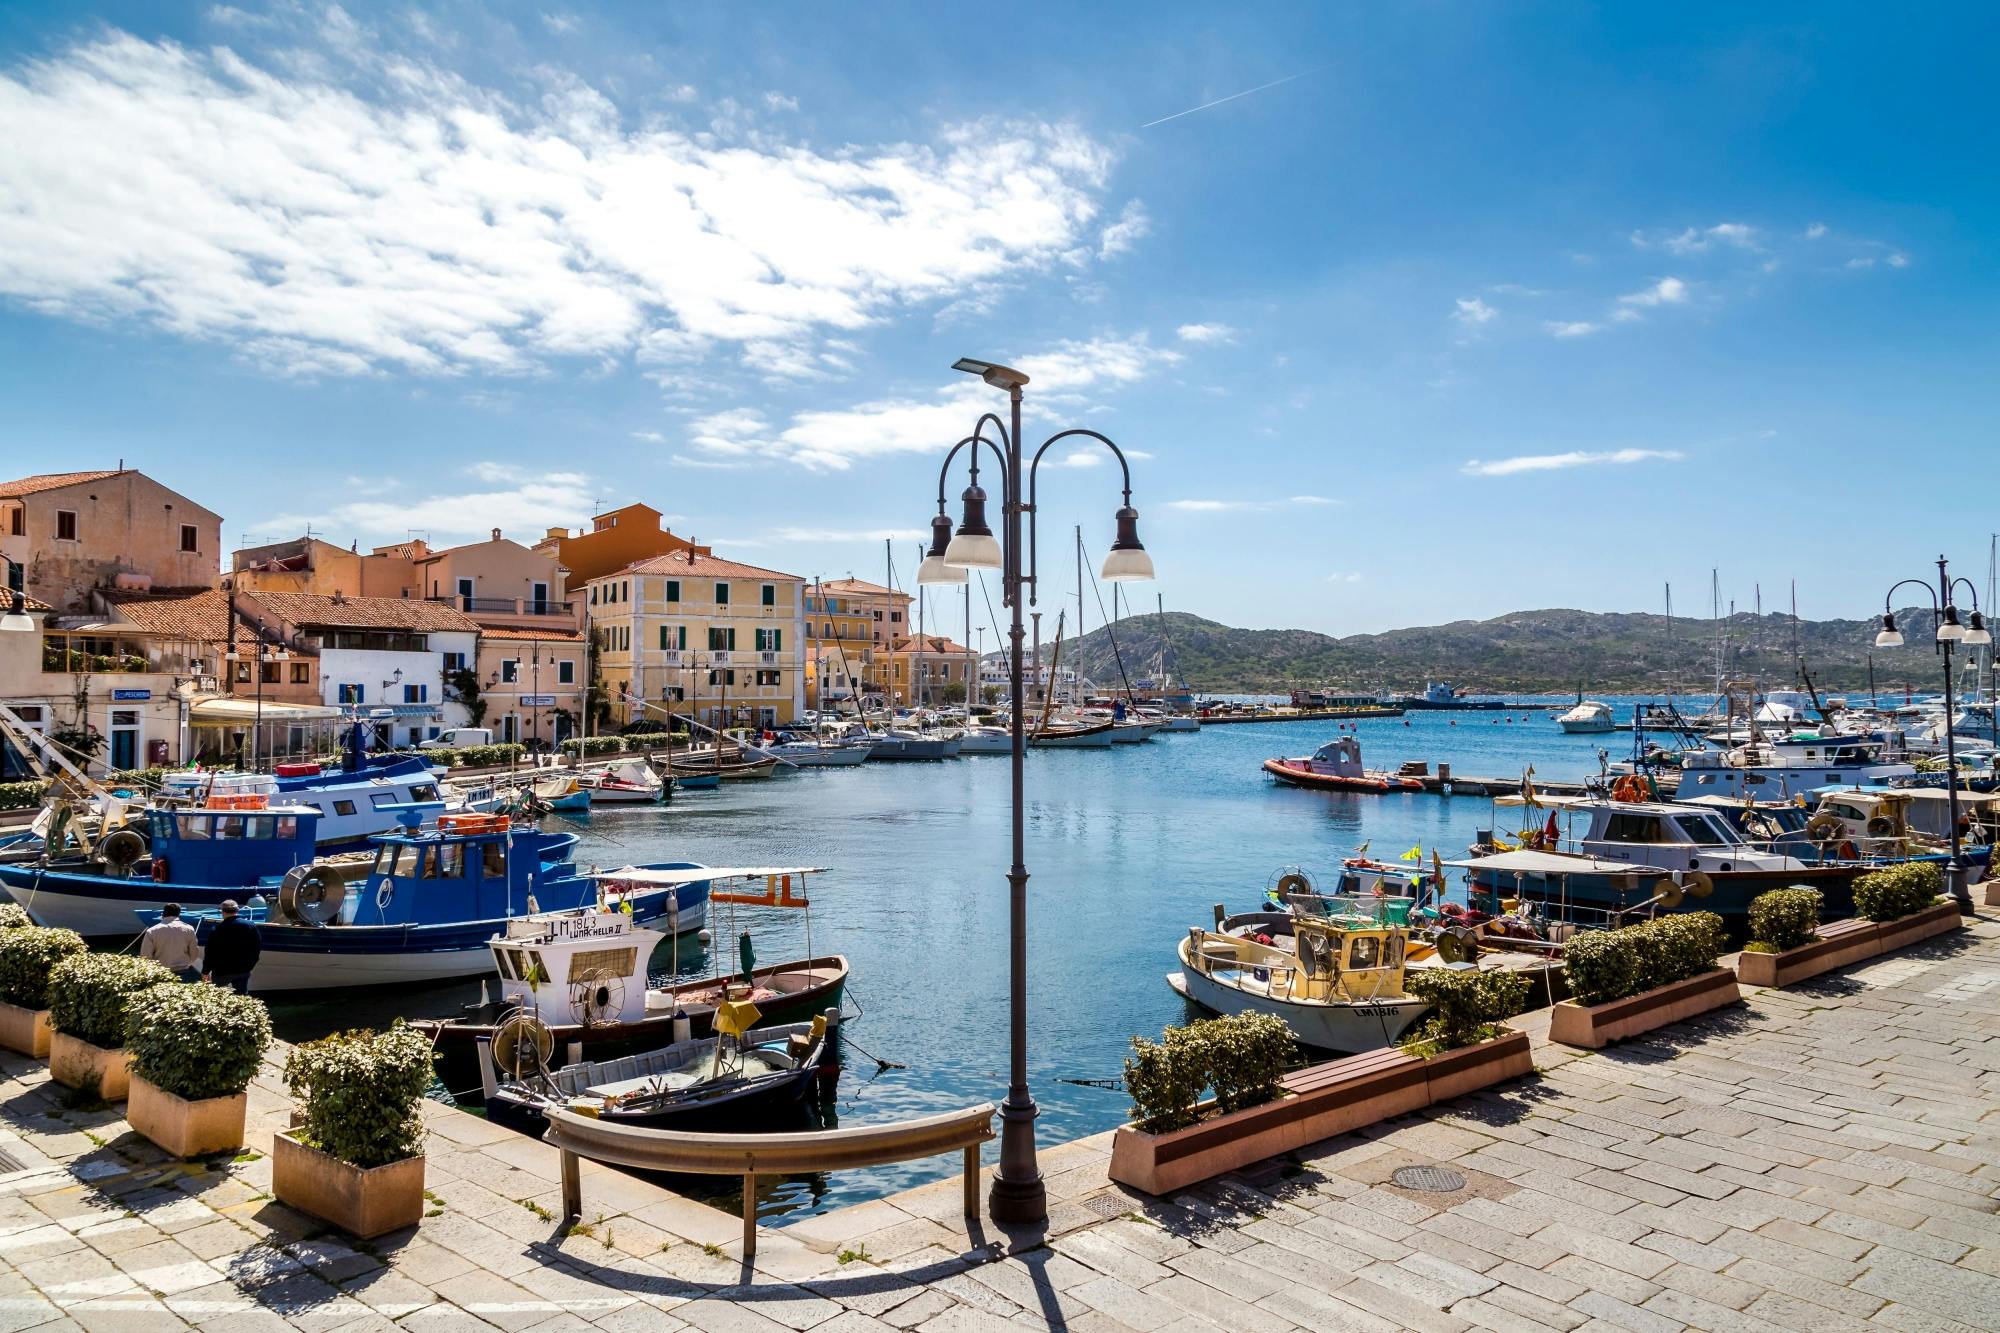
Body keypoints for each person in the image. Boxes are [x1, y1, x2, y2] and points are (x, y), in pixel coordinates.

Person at [202, 899, 261, 995]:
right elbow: (256, 949)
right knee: (242, 999)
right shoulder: (251, 926)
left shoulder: (217, 929)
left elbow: (210, 953)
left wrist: (205, 971)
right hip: (243, 969)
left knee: (217, 997)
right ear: (237, 910)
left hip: (221, 971)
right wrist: (250, 966)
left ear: (222, 912)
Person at [139, 903, 202, 982]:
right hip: (182, 970)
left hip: (160, 971)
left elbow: (145, 955)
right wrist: (188, 964)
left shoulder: (152, 931)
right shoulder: (189, 929)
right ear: (179, 914)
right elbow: (194, 951)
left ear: (163, 913)